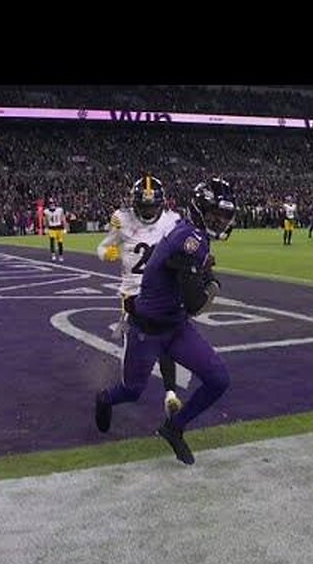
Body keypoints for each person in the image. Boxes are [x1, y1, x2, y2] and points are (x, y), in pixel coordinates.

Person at [94, 178, 236, 465]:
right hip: (146, 328)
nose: (221, 221)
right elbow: (196, 303)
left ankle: (174, 427)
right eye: (216, 215)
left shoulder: (189, 232)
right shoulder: (189, 239)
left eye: (224, 215)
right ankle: (105, 399)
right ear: (200, 209)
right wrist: (212, 284)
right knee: (131, 391)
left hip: (175, 327)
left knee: (219, 379)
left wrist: (202, 272)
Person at [96, 175, 185, 417]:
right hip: (132, 294)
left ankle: (170, 394)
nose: (148, 210)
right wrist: (109, 253)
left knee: (168, 340)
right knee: (136, 363)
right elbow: (101, 248)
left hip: (161, 291)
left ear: (161, 203)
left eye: (152, 205)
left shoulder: (172, 221)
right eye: (144, 206)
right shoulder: (122, 219)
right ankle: (117, 392)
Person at [45, 196, 67, 262]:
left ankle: (60, 255)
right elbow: (46, 220)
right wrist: (46, 228)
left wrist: (65, 228)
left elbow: (63, 218)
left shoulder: (60, 210)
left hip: (59, 228)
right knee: (52, 241)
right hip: (51, 228)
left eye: (53, 203)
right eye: (50, 203)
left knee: (60, 243)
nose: (52, 204)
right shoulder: (46, 211)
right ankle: (53, 255)